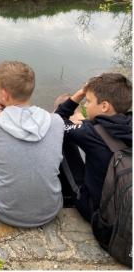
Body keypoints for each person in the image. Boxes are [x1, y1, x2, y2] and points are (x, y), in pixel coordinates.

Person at [0, 61, 64, 227]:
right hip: (50, 209)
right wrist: (5, 107)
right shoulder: (56, 121)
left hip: (3, 210)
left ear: (4, 94)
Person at [54, 73, 132, 221]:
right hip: (121, 202)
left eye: (88, 101)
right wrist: (85, 123)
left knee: (63, 137)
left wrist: (80, 93)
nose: (85, 105)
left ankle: (68, 196)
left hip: (96, 211)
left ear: (104, 106)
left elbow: (58, 120)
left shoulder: (89, 134)